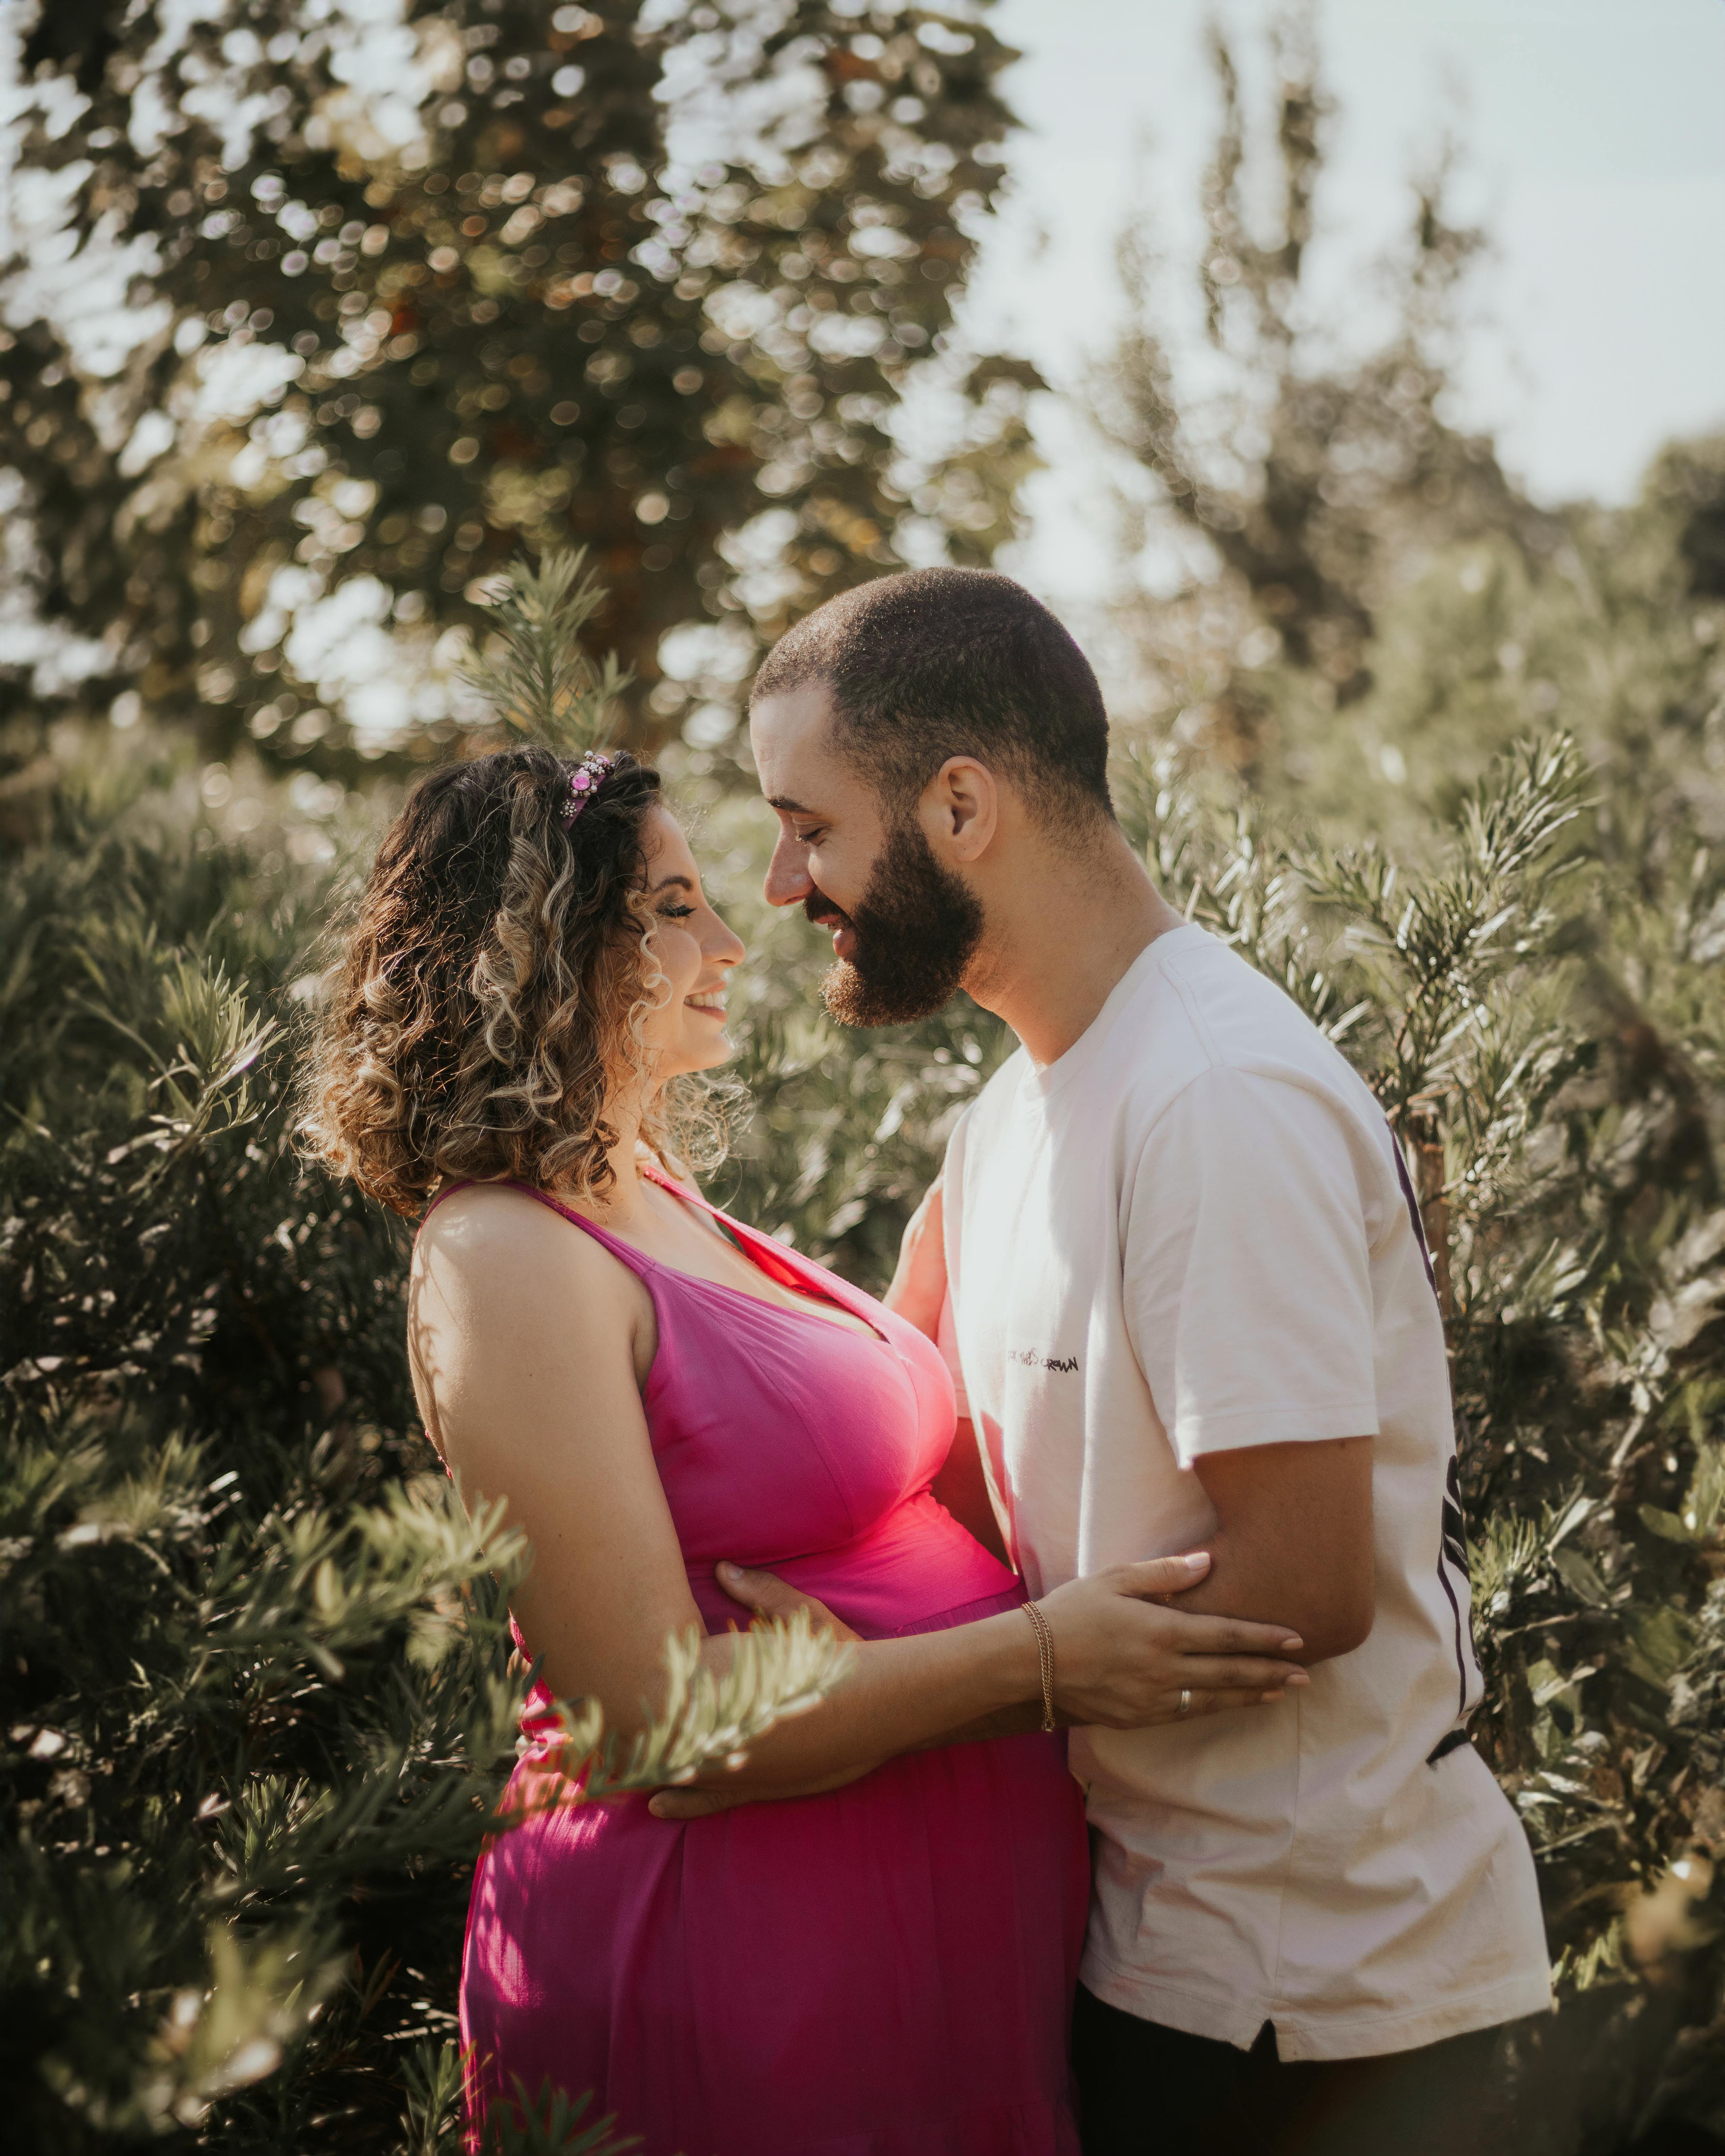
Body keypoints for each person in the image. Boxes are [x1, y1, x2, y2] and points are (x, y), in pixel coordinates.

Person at [300, 740, 1308, 2155]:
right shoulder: (499, 1252)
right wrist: (1040, 1661)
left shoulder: (651, 1187)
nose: (728, 938)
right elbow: (656, 1721)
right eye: (671, 905)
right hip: (741, 1956)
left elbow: (801, 1454)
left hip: (926, 1943)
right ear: (536, 943)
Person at [692, 566, 1552, 2155]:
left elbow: (1301, 1587)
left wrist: (897, 1700)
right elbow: (951, 1478)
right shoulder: (1009, 1113)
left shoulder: (1214, 1093)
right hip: (1149, 1961)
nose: (781, 878)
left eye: (810, 825)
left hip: (1337, 2012)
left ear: (961, 805)